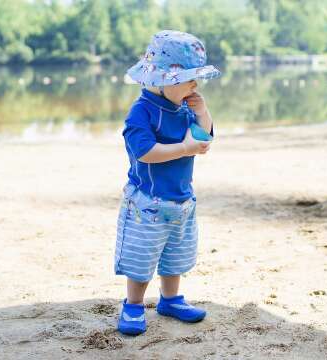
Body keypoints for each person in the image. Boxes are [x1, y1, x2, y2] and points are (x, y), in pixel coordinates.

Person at [114, 30, 221, 335]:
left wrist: (202, 112)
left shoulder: (185, 107)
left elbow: (205, 138)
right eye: (189, 78)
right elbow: (145, 152)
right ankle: (133, 304)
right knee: (142, 256)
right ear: (165, 80)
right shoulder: (142, 111)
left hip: (181, 199)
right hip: (147, 203)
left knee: (176, 254)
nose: (195, 85)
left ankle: (170, 299)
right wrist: (185, 149)